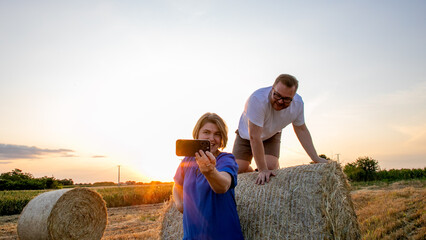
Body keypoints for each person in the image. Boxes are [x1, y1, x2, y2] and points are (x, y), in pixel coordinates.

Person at [233, 74, 329, 185]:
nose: (280, 101)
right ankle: (249, 171)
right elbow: (254, 137)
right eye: (277, 95)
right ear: (272, 88)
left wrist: (315, 158)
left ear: (293, 97)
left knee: (270, 167)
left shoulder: (298, 104)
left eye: (286, 99)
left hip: (272, 134)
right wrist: (262, 169)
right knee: (238, 168)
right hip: (247, 134)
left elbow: (301, 130)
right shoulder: (257, 99)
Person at [173, 112, 244, 240]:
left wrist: (210, 171)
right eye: (206, 132)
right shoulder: (187, 161)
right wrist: (179, 204)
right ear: (197, 134)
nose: (212, 138)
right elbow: (177, 184)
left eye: (217, 134)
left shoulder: (226, 159)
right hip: (192, 236)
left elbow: (223, 185)